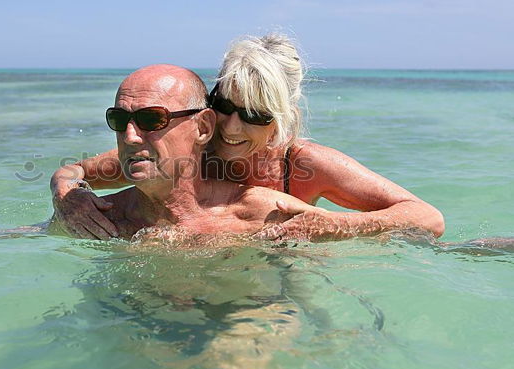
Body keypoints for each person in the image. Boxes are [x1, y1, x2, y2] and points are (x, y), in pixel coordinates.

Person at [51, 33, 445, 241]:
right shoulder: (188, 149)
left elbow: (426, 217)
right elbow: (72, 171)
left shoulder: (304, 164)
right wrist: (70, 201)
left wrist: (337, 226)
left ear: (282, 119)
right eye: (225, 106)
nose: (234, 127)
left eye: (256, 115)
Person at [49, 63, 314, 239]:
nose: (130, 136)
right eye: (119, 120)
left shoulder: (259, 212)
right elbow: (72, 173)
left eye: (152, 119)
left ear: (203, 128)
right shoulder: (98, 216)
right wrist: (68, 194)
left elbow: (353, 227)